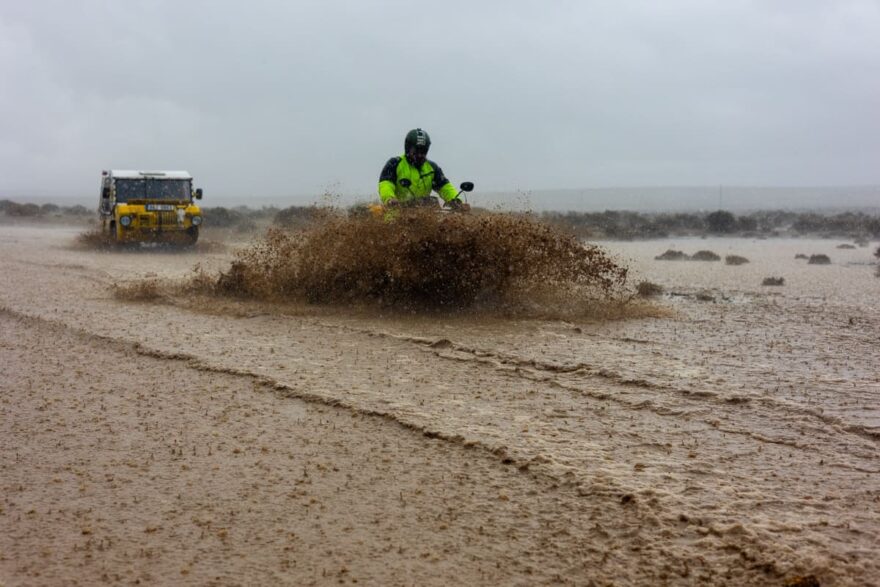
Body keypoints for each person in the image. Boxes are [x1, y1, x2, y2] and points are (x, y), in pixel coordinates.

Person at [377, 129, 468, 211]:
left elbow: (445, 187)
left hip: (425, 217)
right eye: (416, 151)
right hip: (396, 218)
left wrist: (457, 201)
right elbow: (385, 184)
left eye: (423, 151)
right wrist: (389, 199)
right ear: (408, 149)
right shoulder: (394, 163)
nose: (420, 155)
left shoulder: (432, 168)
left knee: (432, 202)